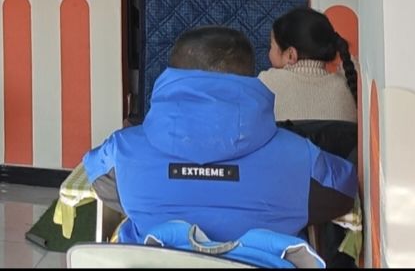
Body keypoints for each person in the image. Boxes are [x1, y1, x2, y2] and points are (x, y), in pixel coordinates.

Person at [83, 26, 357, 244]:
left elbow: (96, 176)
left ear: (173, 76)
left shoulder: (122, 152)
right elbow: (344, 192)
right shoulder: (299, 159)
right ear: (249, 79)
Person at [259, 7, 358, 123]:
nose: (269, 52)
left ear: (291, 55)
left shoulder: (267, 82)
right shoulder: (348, 85)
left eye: (271, 46)